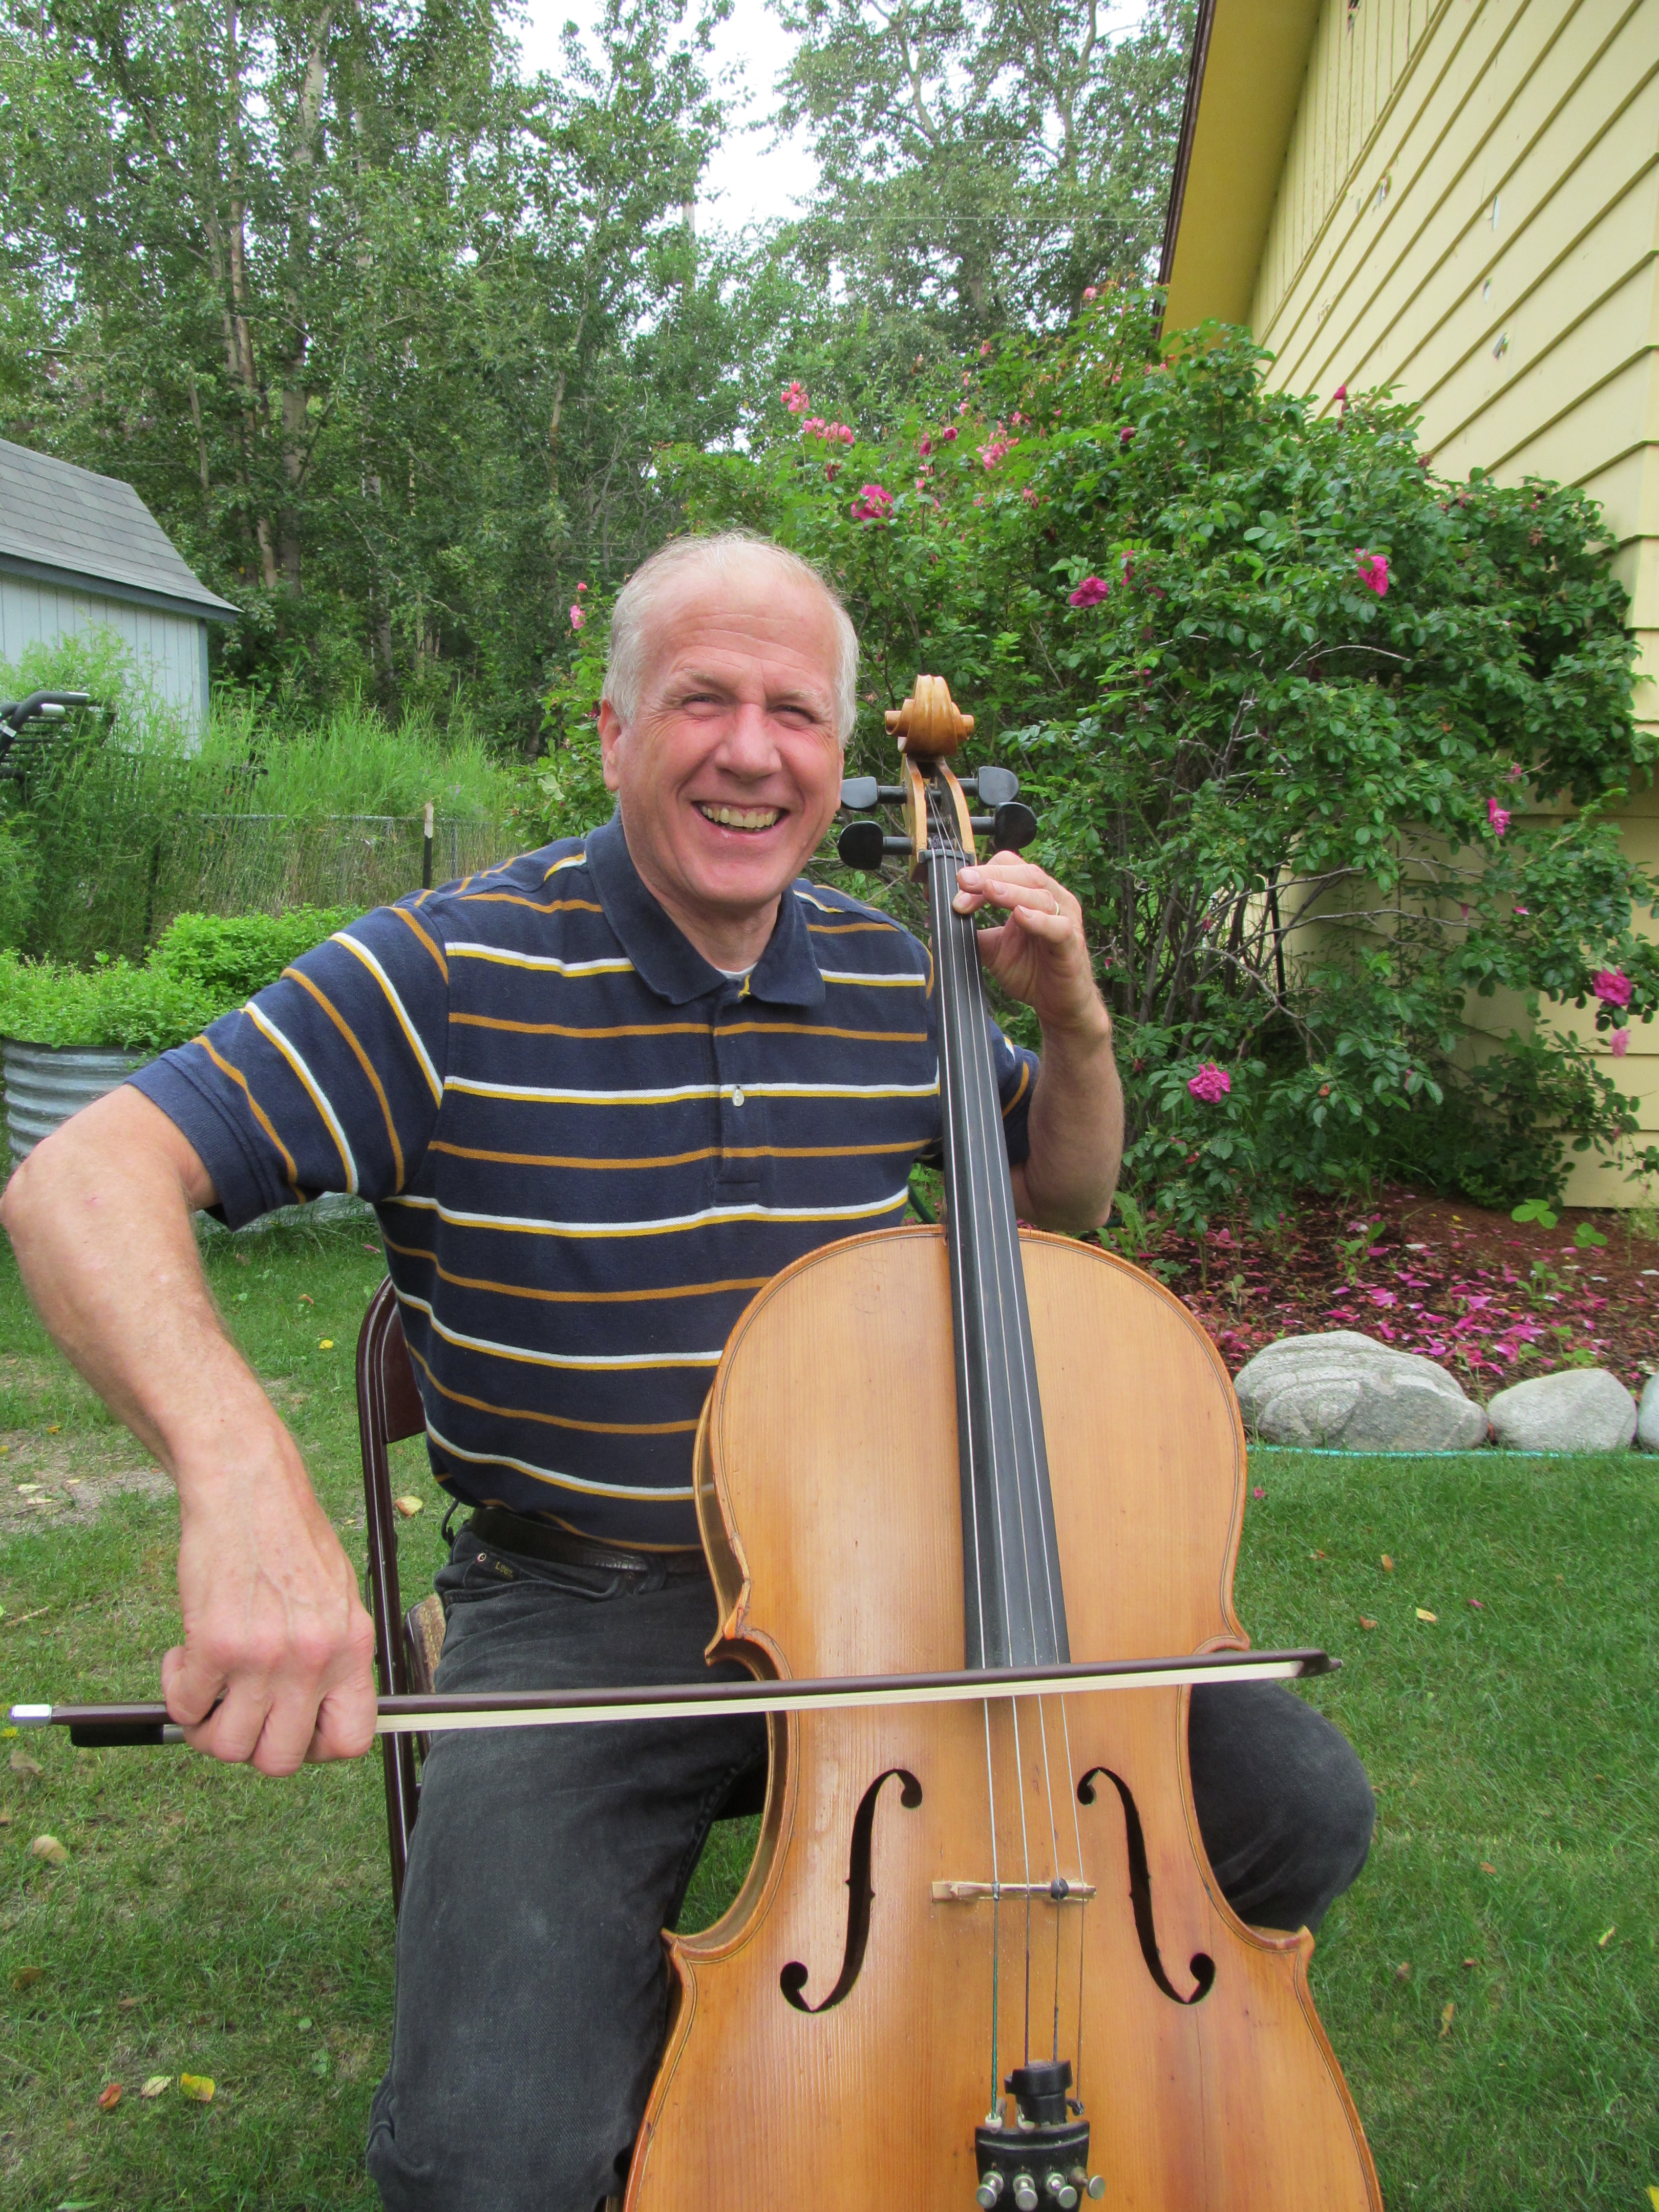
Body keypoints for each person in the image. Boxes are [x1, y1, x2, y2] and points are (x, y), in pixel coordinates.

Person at [0, 533, 1373, 2211]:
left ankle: (964, 2005)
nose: (751, 751)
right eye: (701, 700)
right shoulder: (447, 973)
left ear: (839, 756)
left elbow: (1055, 1206)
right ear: (613, 733)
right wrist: (246, 1489)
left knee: (1295, 1806)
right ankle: (736, 2065)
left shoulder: (893, 973)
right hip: (584, 1600)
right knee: (492, 2167)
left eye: (795, 713)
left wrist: (1075, 1025)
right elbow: (80, 1181)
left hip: (903, 1578)